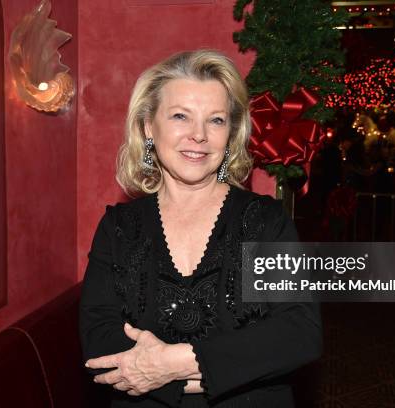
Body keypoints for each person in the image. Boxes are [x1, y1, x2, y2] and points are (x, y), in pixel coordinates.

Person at [79, 49, 322, 408]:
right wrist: (189, 380)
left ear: (231, 133)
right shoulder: (119, 228)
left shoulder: (265, 222)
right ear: (148, 126)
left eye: (216, 120)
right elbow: (99, 338)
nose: (199, 135)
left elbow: (299, 333)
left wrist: (176, 365)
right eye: (180, 116)